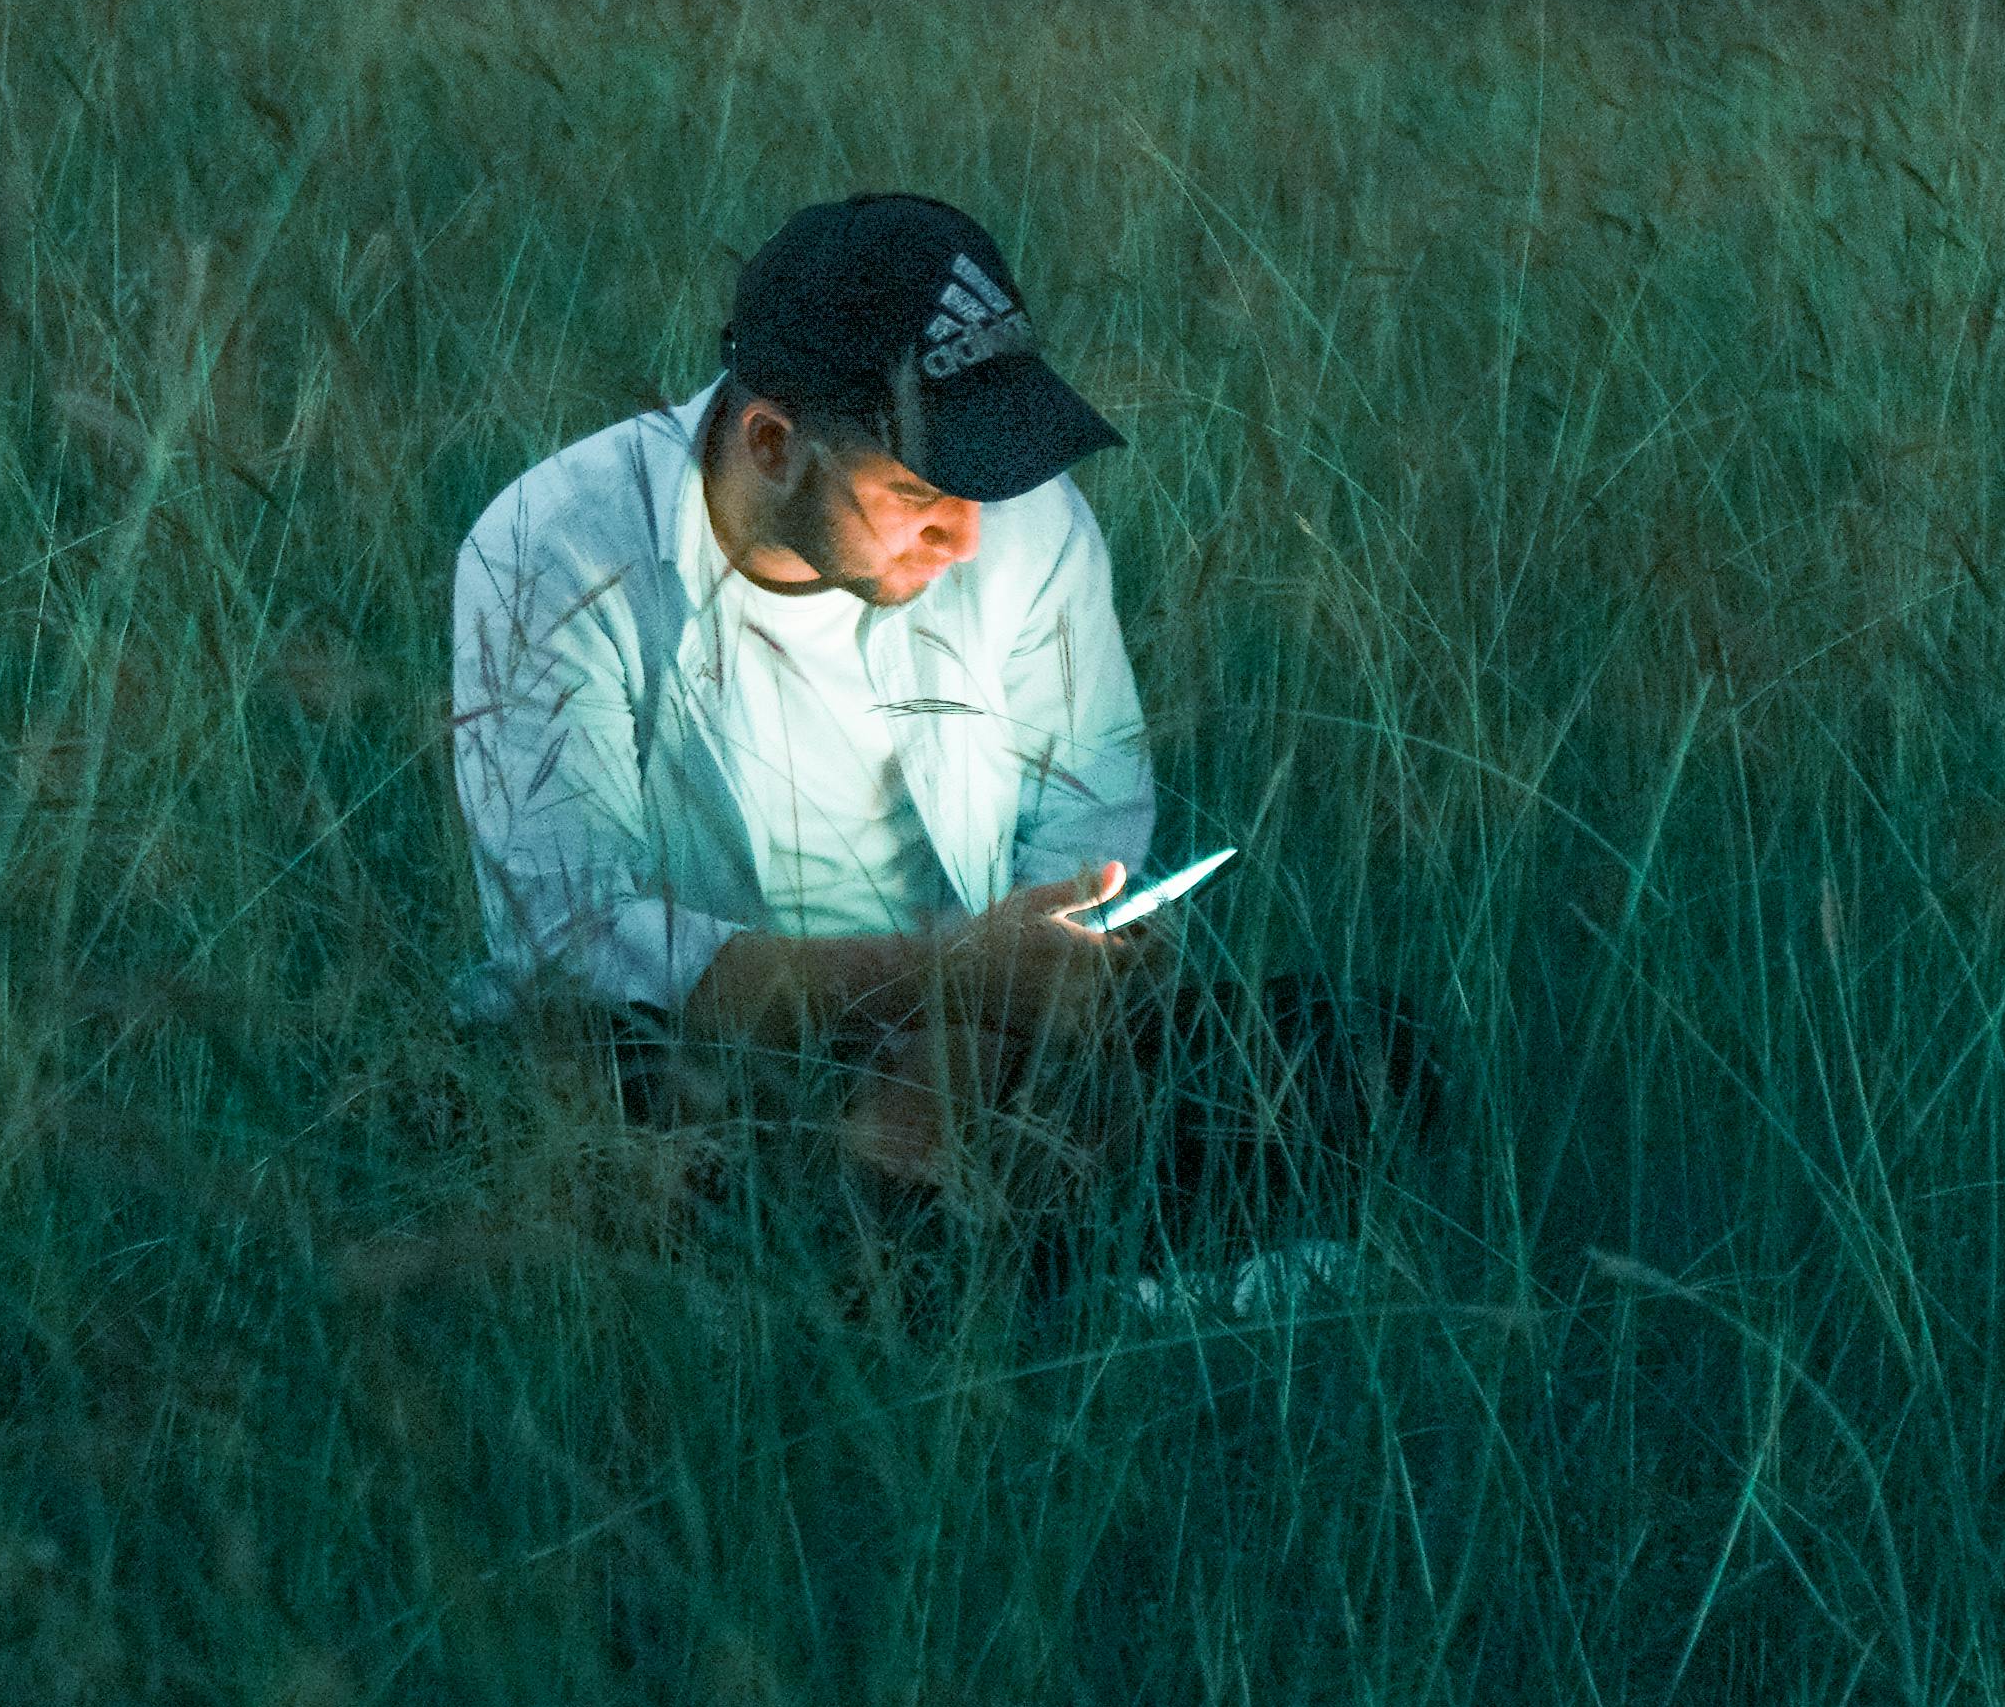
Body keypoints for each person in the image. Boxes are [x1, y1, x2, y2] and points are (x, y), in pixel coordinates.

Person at [445, 192, 1424, 1292]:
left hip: (978, 1048)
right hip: (705, 1047)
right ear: (773, 443)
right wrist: (936, 978)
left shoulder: (1025, 519)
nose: (967, 529)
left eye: (988, 474)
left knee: (1362, 1052)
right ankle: (1059, 1290)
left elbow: (1081, 857)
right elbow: (570, 940)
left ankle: (955, 1269)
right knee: (570, 1126)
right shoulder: (553, 547)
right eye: (920, 487)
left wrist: (941, 1075)